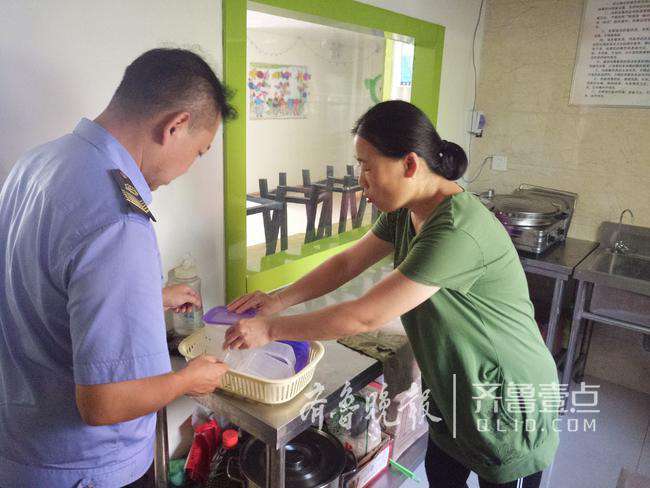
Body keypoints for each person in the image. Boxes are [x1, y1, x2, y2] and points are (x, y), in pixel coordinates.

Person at [225, 101, 559, 488]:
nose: (360, 179)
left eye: (368, 166)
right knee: (443, 478)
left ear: (410, 165)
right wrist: (277, 300)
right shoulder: (408, 210)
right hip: (454, 391)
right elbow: (347, 263)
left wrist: (270, 330)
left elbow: (364, 316)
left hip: (504, 397)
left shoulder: (456, 231)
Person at [0, 49, 235, 488]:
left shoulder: (38, 164)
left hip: (20, 448)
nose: (186, 169)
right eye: (199, 153)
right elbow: (104, 403)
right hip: (83, 469)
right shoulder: (118, 215)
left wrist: (148, 295)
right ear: (176, 126)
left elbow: (41, 285)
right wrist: (188, 379)